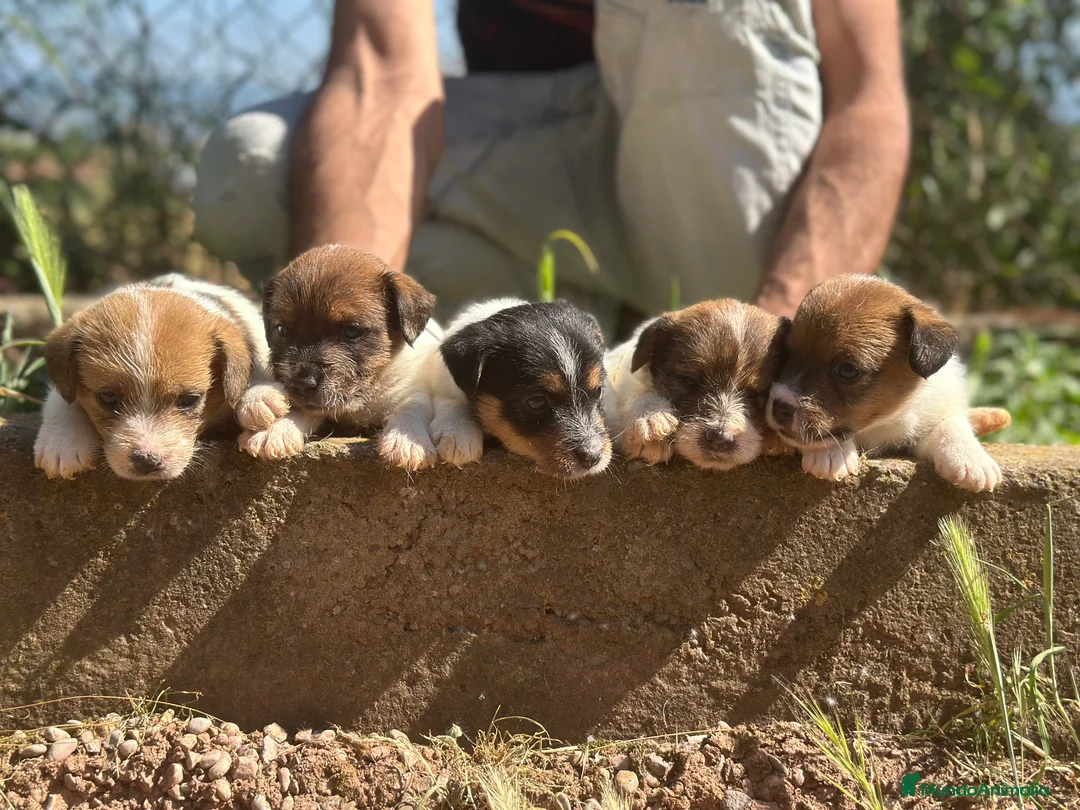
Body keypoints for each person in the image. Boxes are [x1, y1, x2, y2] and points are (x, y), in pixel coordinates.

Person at [192, 0, 909, 335]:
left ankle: (731, 341)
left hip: (708, 149)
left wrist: (792, 338)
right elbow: (379, 77)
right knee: (255, 172)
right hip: (533, 143)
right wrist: (340, 337)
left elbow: (866, 99)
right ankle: (568, 333)